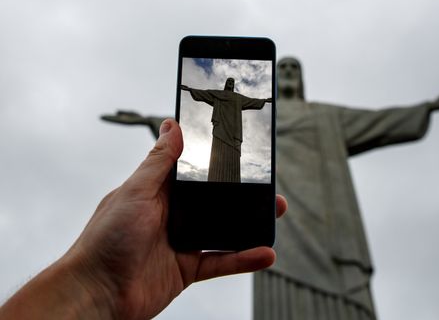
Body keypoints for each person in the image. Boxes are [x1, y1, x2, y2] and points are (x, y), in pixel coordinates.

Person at [253, 57, 439, 320]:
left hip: (329, 225)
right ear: (275, 78)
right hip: (280, 221)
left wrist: (428, 108)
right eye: (283, 68)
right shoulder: (259, 116)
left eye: (295, 68)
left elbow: (377, 122)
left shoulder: (325, 115)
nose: (289, 72)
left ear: (302, 78)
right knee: (276, 273)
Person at [0, 119, 287, 319]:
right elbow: (201, 94)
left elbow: (257, 104)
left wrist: (95, 286)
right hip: (220, 140)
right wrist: (96, 280)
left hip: (235, 145)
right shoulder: (221, 97)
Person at [181, 77, 272, 182]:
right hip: (220, 129)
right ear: (225, 83)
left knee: (233, 158)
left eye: (232, 82)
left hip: (234, 132)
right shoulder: (218, 94)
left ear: (233, 85)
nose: (230, 83)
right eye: (228, 81)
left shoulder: (238, 98)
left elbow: (251, 101)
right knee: (217, 156)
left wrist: (264, 100)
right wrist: (190, 90)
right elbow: (205, 94)